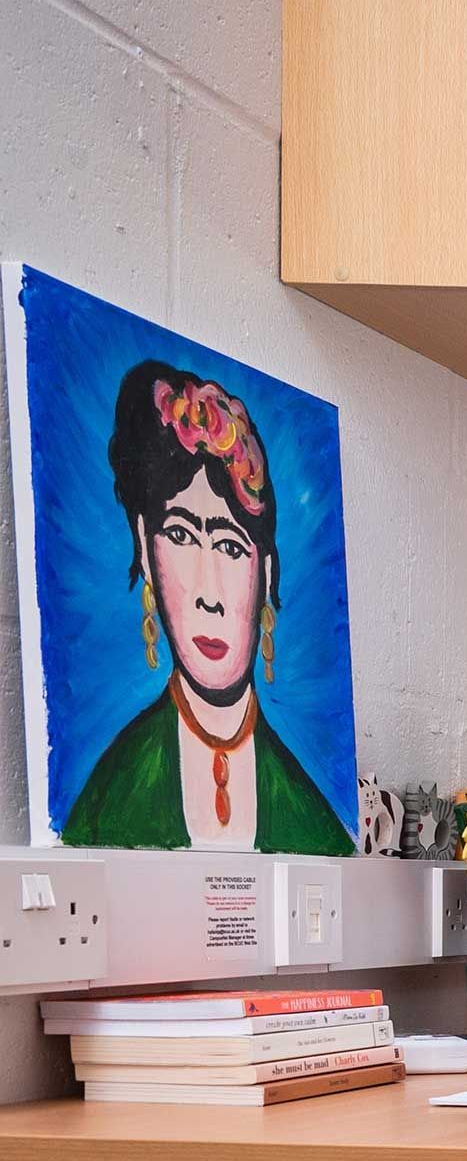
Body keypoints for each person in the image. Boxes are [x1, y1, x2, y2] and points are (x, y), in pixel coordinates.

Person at [63, 362, 354, 852]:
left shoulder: (317, 827)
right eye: (179, 535)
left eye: (230, 546)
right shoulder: (107, 799)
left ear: (265, 573)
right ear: (146, 552)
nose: (208, 594)